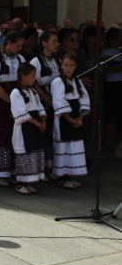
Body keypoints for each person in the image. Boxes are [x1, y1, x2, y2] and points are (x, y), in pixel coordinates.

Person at [0, 31, 26, 187]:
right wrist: (11, 102)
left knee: (16, 134)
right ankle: (0, 173)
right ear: (9, 43)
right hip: (1, 101)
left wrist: (19, 101)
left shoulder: (21, 59)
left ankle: (12, 171)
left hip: (17, 99)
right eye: (18, 45)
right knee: (1, 134)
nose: (20, 49)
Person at [51, 54, 90, 188]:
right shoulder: (57, 82)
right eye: (66, 65)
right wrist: (70, 119)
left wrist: (80, 116)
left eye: (71, 65)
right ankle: (62, 177)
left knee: (73, 147)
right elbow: (58, 101)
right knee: (63, 146)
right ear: (61, 65)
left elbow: (83, 98)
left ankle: (70, 175)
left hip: (75, 116)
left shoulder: (77, 81)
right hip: (64, 118)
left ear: (75, 66)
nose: (68, 68)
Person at [10, 63, 47, 195]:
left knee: (33, 152)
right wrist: (36, 122)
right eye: (32, 76)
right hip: (24, 128)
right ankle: (20, 183)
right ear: (23, 76)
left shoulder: (33, 91)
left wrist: (42, 119)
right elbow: (20, 112)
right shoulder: (16, 92)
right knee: (24, 153)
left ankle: (29, 181)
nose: (34, 79)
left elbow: (39, 106)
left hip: (34, 126)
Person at [30, 31, 61, 180]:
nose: (57, 44)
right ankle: (42, 169)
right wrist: (49, 102)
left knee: (53, 133)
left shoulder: (58, 60)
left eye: (57, 41)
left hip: (57, 100)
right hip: (43, 101)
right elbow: (35, 86)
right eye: (54, 41)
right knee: (44, 133)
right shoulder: (36, 61)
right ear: (44, 43)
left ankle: (52, 167)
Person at [100, 28, 122, 150]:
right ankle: (110, 138)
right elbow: (110, 68)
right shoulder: (107, 51)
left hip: (120, 83)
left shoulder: (120, 50)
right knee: (112, 111)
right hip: (112, 84)